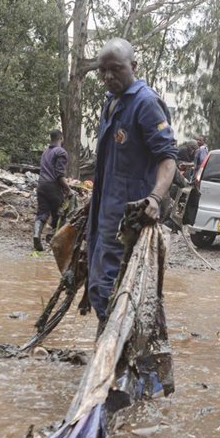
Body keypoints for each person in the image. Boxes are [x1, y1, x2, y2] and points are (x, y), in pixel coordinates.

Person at [87, 38, 178, 324]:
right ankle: (108, 346)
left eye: (115, 69)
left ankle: (117, 347)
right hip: (103, 213)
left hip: (129, 219)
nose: (108, 76)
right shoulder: (111, 102)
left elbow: (168, 158)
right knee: (98, 286)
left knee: (115, 289)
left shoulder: (146, 103)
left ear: (133, 66)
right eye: (102, 71)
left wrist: (155, 198)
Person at [35, 129, 70, 252]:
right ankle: (56, 241)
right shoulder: (61, 152)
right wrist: (68, 189)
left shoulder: (45, 152)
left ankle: (36, 235)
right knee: (59, 213)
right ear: (61, 138)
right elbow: (59, 175)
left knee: (42, 212)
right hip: (53, 187)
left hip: (41, 185)